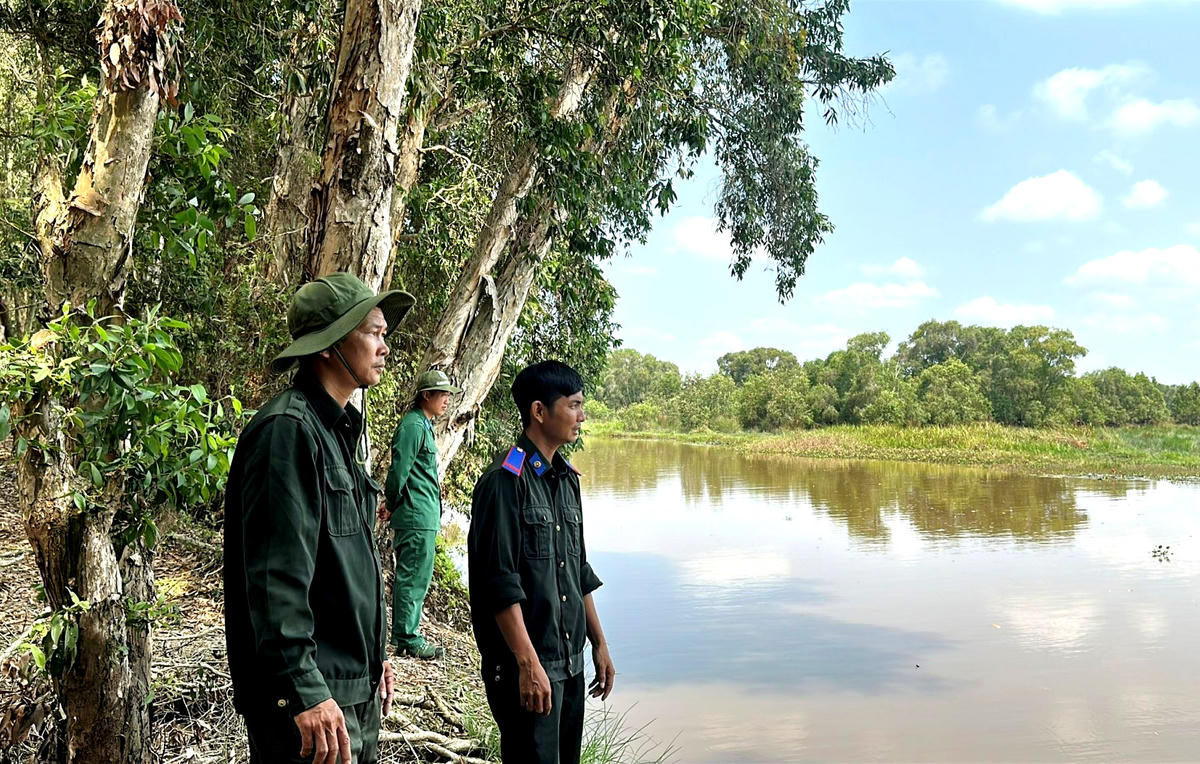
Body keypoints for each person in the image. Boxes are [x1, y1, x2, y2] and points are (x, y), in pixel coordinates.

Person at [224, 272, 413, 764]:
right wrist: (304, 691)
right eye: (372, 332)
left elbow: (343, 568)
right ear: (329, 346)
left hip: (349, 692)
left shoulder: (338, 433)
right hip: (313, 708)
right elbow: (276, 580)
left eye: (383, 334)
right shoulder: (287, 432)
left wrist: (374, 662)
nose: (384, 346)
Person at [467, 360, 616, 764]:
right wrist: (528, 665)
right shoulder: (503, 481)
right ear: (538, 411)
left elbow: (578, 571)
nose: (581, 416)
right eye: (573, 405)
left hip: (568, 663)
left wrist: (598, 644)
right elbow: (499, 585)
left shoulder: (566, 481)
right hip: (528, 668)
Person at [379, 369, 461, 659]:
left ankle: (406, 633)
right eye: (442, 394)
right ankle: (406, 638)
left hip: (422, 515)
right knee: (413, 577)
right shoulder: (412, 426)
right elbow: (398, 472)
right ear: (426, 395)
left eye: (449, 394)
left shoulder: (423, 425)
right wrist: (390, 503)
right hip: (414, 515)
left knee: (418, 576)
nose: (447, 400)